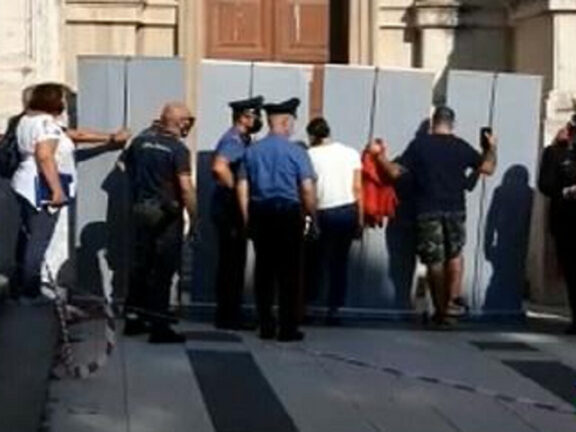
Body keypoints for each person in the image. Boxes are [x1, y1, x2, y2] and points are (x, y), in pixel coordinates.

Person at [372, 106, 497, 327]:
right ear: (452, 124)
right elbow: (488, 168)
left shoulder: (419, 146)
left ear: (433, 122)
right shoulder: (461, 146)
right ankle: (453, 302)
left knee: (434, 262)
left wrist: (379, 156)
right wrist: (491, 148)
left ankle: (441, 313)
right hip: (455, 209)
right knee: (455, 255)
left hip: (427, 210)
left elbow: (394, 172)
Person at [10, 83, 129, 303]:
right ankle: (30, 291)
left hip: (25, 183)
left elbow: (74, 135)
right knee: (39, 240)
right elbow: (45, 156)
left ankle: (22, 287)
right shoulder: (46, 124)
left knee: (29, 237)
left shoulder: (29, 120)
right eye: (63, 99)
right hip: (41, 186)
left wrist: (110, 138)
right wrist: (56, 190)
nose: (66, 104)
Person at [237, 98, 316, 342]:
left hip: (261, 213)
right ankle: (287, 328)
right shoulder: (297, 152)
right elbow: (306, 189)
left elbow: (242, 187)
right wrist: (313, 216)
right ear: (285, 122)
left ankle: (266, 325)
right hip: (288, 214)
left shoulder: (251, 151)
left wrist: (247, 219)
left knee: (264, 271)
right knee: (289, 273)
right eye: (292, 123)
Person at [122, 102, 196, 343]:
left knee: (141, 266)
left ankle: (133, 318)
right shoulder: (178, 149)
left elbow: (126, 168)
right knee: (163, 270)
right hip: (167, 216)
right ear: (180, 122)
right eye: (188, 120)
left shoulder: (140, 142)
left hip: (142, 210)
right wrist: (195, 218)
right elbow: (185, 188)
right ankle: (159, 326)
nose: (189, 125)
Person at [211, 96, 264, 330]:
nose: (258, 120)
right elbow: (219, 166)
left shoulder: (241, 139)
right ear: (244, 117)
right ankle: (228, 316)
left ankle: (230, 312)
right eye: (255, 116)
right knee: (232, 264)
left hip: (229, 209)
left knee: (233, 263)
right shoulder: (233, 140)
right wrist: (236, 189)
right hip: (229, 209)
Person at [306, 117, 362, 324]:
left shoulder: (310, 155)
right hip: (347, 211)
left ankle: (309, 306)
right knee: (339, 263)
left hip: (321, 211)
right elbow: (357, 188)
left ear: (312, 136)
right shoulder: (351, 153)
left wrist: (310, 217)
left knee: (314, 261)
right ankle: (334, 309)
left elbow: (308, 187)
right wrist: (360, 218)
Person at [538, 114, 576, 334]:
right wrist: (567, 191)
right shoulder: (555, 153)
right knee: (572, 271)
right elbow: (545, 184)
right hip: (566, 221)